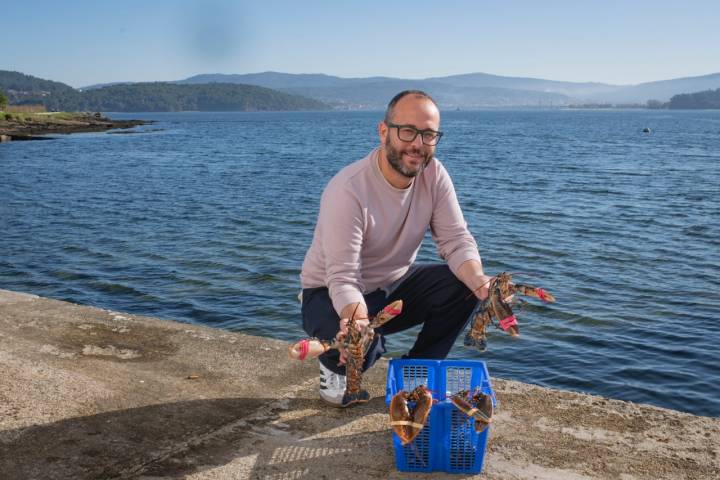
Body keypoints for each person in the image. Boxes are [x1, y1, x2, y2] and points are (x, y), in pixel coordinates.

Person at [300, 90, 493, 407]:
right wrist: (357, 320)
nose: (418, 144)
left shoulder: (434, 174)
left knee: (466, 286)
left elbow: (455, 239)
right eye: (408, 131)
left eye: (428, 135)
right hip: (329, 293)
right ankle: (335, 366)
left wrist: (482, 283)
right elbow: (343, 278)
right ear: (383, 131)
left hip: (393, 287)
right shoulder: (348, 190)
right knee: (367, 348)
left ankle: (417, 376)